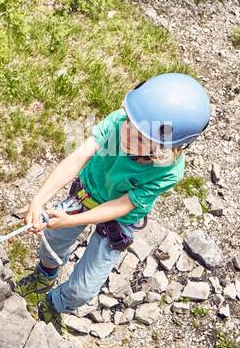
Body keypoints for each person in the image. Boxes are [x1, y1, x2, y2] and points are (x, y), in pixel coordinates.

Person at [18, 74, 211, 328]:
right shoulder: (117, 124)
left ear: (166, 148)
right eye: (130, 121)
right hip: (88, 192)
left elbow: (123, 205)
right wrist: (38, 200)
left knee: (83, 290)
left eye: (141, 137)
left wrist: (72, 220)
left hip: (119, 219)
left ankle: (55, 304)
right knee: (51, 241)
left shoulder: (168, 171)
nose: (127, 134)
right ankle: (45, 274)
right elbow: (79, 157)